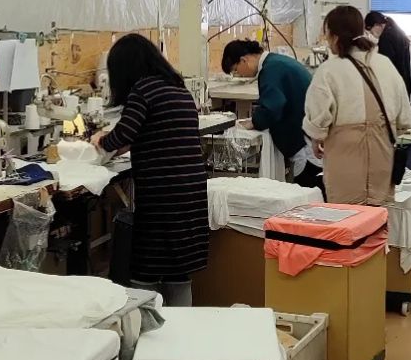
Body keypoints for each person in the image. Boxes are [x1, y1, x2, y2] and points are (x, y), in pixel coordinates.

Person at [93, 34, 208, 306]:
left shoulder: (143, 90)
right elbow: (151, 131)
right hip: (190, 192)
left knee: (146, 268)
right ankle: (183, 326)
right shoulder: (177, 88)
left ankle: (143, 322)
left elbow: (121, 135)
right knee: (178, 270)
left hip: (163, 196)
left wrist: (99, 140)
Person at [303, 5, 411, 204]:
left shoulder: (329, 71)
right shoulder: (385, 64)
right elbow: (404, 118)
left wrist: (316, 138)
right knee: (378, 215)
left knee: (348, 216)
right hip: (383, 156)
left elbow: (318, 118)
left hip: (345, 158)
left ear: (334, 37)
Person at [220, 38, 319, 184]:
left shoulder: (270, 70)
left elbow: (272, 108)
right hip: (308, 133)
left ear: (243, 60)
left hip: (303, 144)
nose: (238, 74)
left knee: (309, 188)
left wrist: (254, 122)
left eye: (235, 70)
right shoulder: (276, 62)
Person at [364, 12, 411, 99]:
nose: (371, 35)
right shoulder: (397, 32)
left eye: (370, 31)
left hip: (393, 86)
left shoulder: (385, 38)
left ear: (378, 25)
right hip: (403, 83)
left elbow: (385, 65)